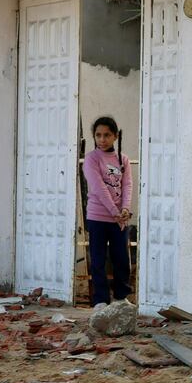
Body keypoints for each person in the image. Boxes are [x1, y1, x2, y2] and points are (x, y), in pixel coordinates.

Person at [82, 116, 133, 306]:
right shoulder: (91, 159)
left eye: (107, 135)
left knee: (121, 258)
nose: (102, 139)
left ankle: (121, 297)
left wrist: (125, 209)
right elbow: (98, 188)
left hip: (120, 218)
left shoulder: (123, 159)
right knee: (98, 260)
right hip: (98, 217)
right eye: (98, 135)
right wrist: (115, 212)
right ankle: (101, 300)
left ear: (115, 136)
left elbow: (127, 185)